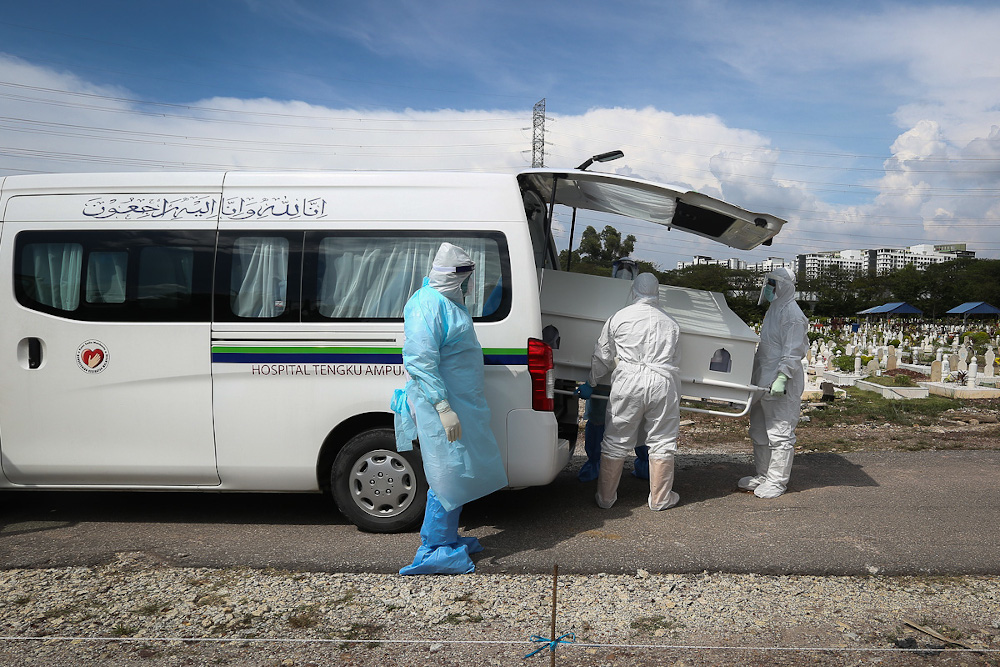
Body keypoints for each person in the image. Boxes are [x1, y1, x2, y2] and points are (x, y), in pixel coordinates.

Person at [392, 243, 508, 574]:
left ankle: (447, 536)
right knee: (445, 473)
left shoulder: (445, 302)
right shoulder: (427, 305)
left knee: (456, 469)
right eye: (466, 279)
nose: (469, 285)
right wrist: (443, 406)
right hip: (439, 405)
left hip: (457, 402)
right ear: (453, 278)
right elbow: (419, 359)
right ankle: (434, 549)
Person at [576, 272, 681, 510]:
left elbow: (602, 355)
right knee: (662, 440)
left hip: (628, 381)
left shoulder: (619, 318)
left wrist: (591, 383)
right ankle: (660, 499)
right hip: (662, 380)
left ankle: (605, 498)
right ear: (657, 292)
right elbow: (675, 360)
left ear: (633, 290)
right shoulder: (671, 323)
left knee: (615, 439)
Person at [738, 267, 809, 499]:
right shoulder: (774, 310)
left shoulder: (793, 314)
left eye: (773, 284)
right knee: (759, 430)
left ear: (784, 285)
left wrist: (782, 377)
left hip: (781, 382)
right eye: (768, 283)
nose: (769, 288)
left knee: (780, 433)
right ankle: (763, 474)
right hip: (763, 378)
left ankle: (777, 481)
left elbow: (792, 351)